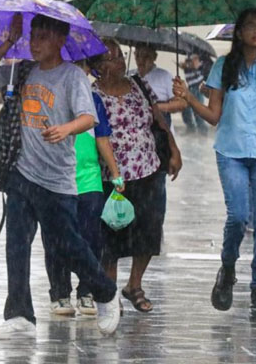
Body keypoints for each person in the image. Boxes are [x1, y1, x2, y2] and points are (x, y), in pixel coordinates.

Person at [0, 13, 121, 339]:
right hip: (21, 174)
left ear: (59, 40)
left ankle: (106, 292)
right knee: (17, 246)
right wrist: (9, 41)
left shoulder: (72, 77)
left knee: (67, 246)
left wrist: (65, 128)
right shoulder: (23, 70)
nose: (34, 43)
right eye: (32, 36)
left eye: (41, 36)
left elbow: (88, 118)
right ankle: (20, 317)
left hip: (56, 181)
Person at [173, 8, 256, 317]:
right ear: (238, 33)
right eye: (251, 26)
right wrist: (189, 99)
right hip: (231, 153)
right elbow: (214, 116)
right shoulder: (225, 68)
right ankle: (227, 269)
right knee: (239, 217)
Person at [88, 38, 182, 314]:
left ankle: (134, 285)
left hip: (149, 168)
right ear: (98, 67)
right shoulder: (93, 95)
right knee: (113, 237)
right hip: (113, 176)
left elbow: (158, 120)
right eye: (111, 58)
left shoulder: (140, 85)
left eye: (120, 56)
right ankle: (110, 292)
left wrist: (174, 150)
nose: (119, 61)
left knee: (150, 232)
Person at [44, 60, 125, 317]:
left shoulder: (93, 101)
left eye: (82, 67)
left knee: (90, 238)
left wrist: (115, 173)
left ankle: (86, 292)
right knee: (56, 238)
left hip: (89, 179)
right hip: (55, 179)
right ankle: (59, 293)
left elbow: (102, 138)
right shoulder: (48, 96)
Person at [129, 45, 187, 128]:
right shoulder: (129, 75)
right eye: (137, 55)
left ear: (154, 57)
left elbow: (181, 104)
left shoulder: (165, 76)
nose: (141, 60)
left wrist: (156, 107)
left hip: (160, 128)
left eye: (146, 56)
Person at [182, 53, 211, 135]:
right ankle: (191, 128)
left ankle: (202, 131)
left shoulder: (196, 54)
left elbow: (196, 65)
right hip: (190, 86)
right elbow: (188, 66)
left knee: (198, 111)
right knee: (186, 109)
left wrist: (187, 65)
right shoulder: (188, 54)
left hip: (197, 86)